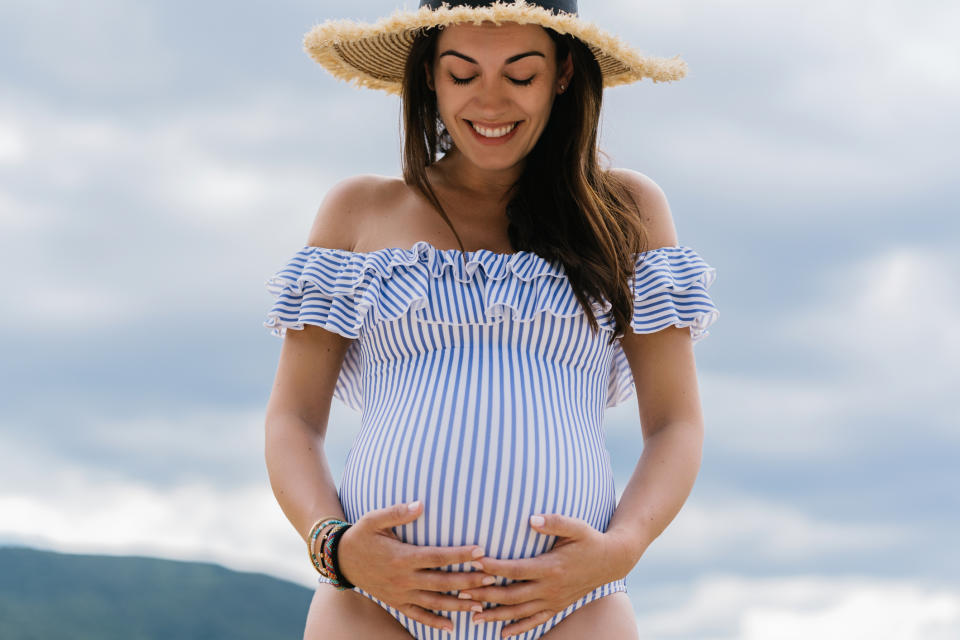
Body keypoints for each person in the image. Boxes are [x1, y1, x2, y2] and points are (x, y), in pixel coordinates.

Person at [262, 1, 719, 638]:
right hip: (373, 607)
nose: (490, 101)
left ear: (563, 73)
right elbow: (292, 419)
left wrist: (621, 549)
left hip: (572, 610)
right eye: (463, 73)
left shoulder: (627, 212)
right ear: (428, 75)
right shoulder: (358, 212)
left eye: (520, 75)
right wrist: (334, 547)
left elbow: (675, 424)